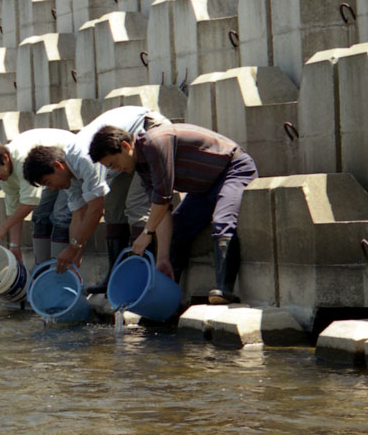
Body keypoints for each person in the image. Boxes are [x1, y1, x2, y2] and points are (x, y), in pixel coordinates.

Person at [87, 123, 258, 305]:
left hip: (232, 170)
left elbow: (163, 196)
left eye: (114, 163)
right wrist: (162, 258)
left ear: (125, 146)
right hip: (204, 189)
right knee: (177, 230)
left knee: (222, 220)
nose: (116, 169)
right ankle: (167, 300)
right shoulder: (141, 167)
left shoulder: (155, 143)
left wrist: (146, 234)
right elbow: (161, 209)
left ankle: (224, 290)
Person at [22, 106, 169, 280]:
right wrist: (75, 258)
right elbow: (78, 217)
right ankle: (115, 276)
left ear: (58, 166)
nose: (52, 188)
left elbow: (95, 210)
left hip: (149, 130)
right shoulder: (70, 178)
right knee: (113, 205)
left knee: (136, 204)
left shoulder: (83, 159)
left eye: (48, 182)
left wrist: (74, 247)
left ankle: (142, 275)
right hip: (122, 156)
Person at [0, 129, 75, 265]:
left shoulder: (22, 160)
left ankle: (58, 271)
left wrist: (3, 228)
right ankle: (42, 268)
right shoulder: (4, 174)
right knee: (39, 215)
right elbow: (13, 210)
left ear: (5, 158)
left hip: (68, 164)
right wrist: (15, 246)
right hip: (47, 172)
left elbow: (30, 203)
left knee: (60, 215)